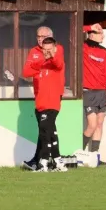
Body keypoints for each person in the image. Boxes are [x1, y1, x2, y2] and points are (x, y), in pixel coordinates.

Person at [21, 26, 65, 171]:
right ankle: (55, 161)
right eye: (38, 36)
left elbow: (57, 64)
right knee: (47, 130)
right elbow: (26, 72)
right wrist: (40, 62)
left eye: (43, 36)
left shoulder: (58, 49)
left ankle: (44, 161)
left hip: (53, 97)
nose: (40, 39)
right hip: (40, 97)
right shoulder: (34, 52)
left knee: (46, 129)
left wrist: (49, 56)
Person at [82, 23, 106, 165]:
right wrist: (90, 27)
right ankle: (80, 154)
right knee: (92, 124)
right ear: (92, 34)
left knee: (99, 124)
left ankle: (95, 158)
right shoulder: (83, 47)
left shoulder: (104, 51)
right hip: (88, 91)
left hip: (102, 92)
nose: (103, 35)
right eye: (100, 33)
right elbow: (76, 29)